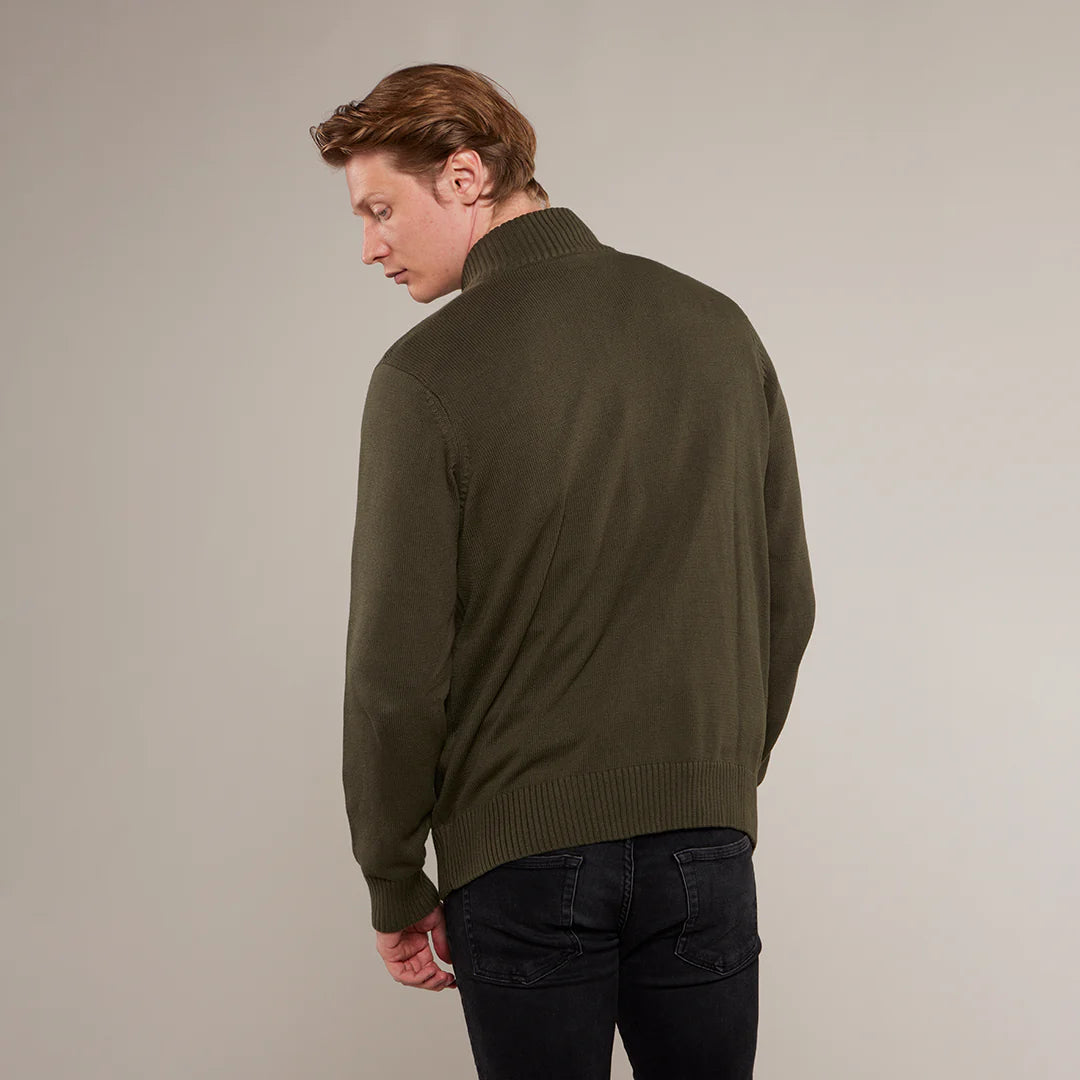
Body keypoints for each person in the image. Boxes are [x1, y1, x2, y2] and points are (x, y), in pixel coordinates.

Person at [309, 62, 816, 1079]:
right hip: (703, 844)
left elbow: (395, 671)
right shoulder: (717, 328)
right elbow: (785, 603)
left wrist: (393, 876)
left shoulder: (425, 374)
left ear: (464, 177)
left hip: (523, 864)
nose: (368, 245)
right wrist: (710, 782)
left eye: (379, 209)